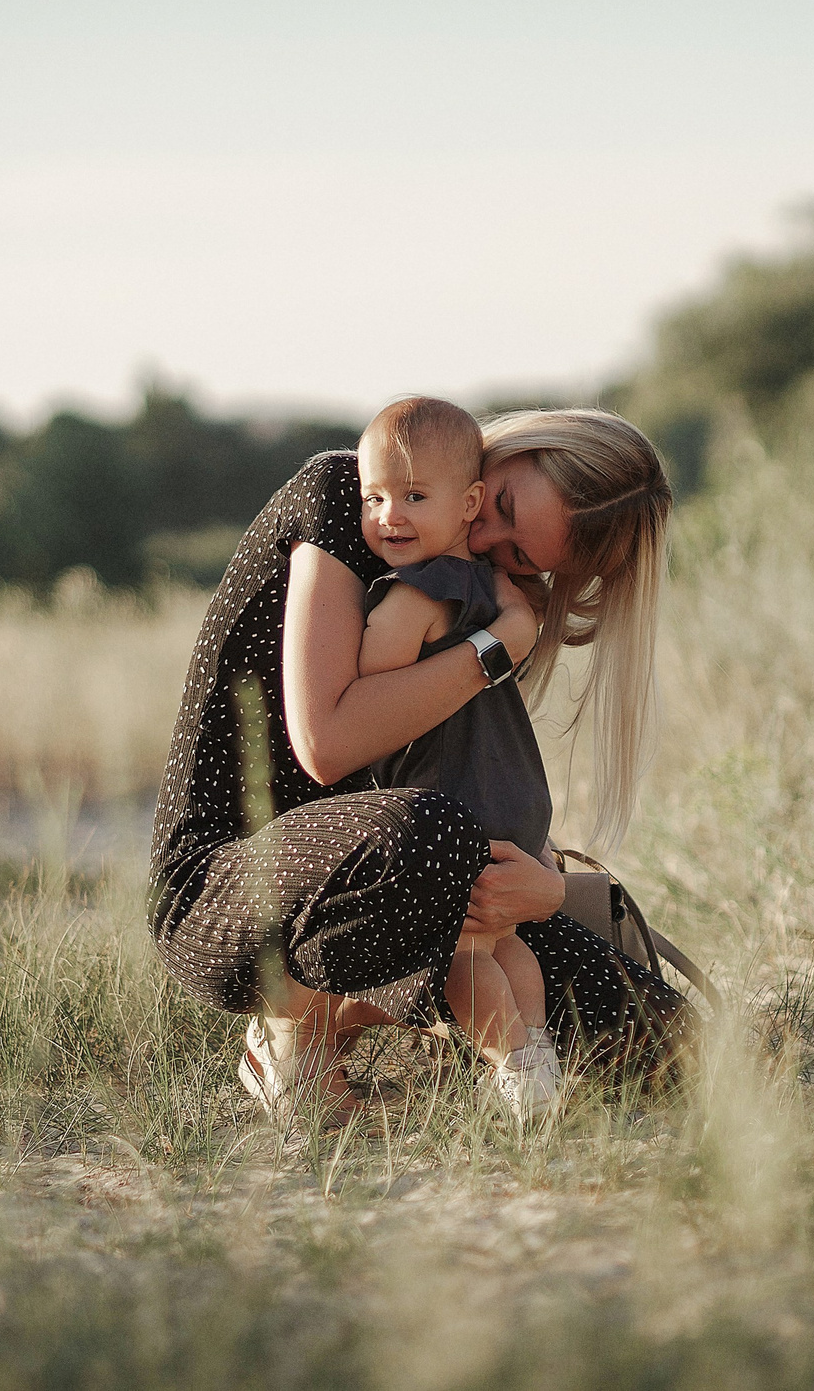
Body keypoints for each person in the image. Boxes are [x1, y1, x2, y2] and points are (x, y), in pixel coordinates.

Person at [148, 407, 688, 1123]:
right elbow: (328, 741)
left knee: (665, 1044)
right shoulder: (348, 496)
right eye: (499, 507)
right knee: (431, 836)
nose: (489, 542)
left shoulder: (478, 585)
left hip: (415, 865)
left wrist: (544, 887)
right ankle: (290, 1031)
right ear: (513, 448)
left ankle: (382, 1018)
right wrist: (496, 646)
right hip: (228, 890)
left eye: (522, 557)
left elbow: (462, 774)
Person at [352, 397, 558, 1117]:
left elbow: (370, 681)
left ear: (468, 502)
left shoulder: (419, 589)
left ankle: (510, 1072)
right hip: (513, 796)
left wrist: (359, 617)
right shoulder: (490, 589)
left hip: (454, 802)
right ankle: (535, 1053)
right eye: (374, 496)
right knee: (505, 946)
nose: (388, 517)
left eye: (413, 496)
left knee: (464, 958)